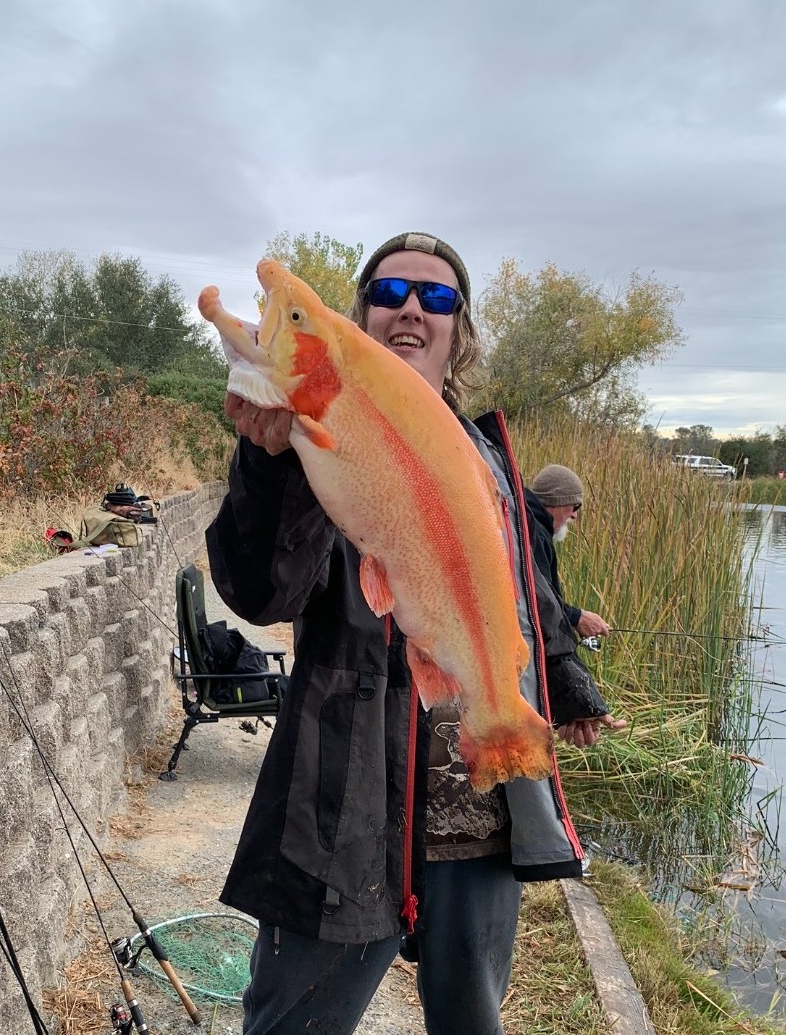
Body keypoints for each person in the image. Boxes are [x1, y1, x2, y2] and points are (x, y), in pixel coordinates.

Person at [206, 231, 625, 1035]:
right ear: (359, 319)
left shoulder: (491, 462)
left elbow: (531, 593)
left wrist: (566, 678)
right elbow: (260, 592)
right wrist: (268, 465)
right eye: (389, 293)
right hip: (342, 815)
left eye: (435, 297)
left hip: (478, 815)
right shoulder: (313, 435)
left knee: (471, 1023)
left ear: (457, 329)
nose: (410, 308)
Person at [525, 464, 610, 640]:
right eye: (575, 506)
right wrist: (576, 617)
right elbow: (537, 600)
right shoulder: (535, 534)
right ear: (556, 503)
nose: (574, 516)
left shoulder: (528, 523)